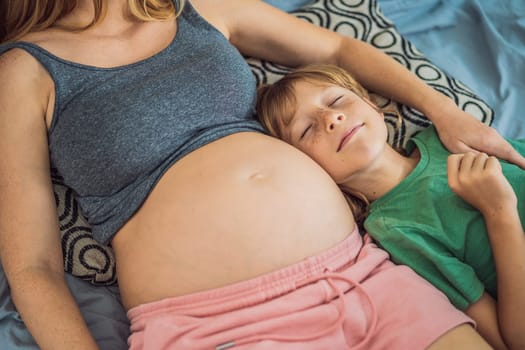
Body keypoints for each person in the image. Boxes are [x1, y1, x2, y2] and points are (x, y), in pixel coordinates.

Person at [0, 0, 520, 349]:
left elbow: (336, 49)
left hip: (365, 279)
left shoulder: (198, 9)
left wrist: (445, 111)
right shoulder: (24, 72)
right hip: (216, 325)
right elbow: (32, 267)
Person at [256, 63, 525, 349]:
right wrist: (499, 213)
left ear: (371, 104)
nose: (331, 118)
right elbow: (512, 339)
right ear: (307, 167)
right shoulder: (393, 230)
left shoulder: (445, 137)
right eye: (306, 130)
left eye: (336, 100)